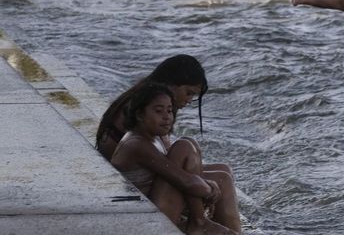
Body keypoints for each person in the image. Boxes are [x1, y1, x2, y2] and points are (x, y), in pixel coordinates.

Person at [97, 55, 241, 233]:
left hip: (148, 185)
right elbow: (182, 177)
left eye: (169, 111)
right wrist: (207, 187)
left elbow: (165, 162)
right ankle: (202, 223)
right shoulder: (137, 130)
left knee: (221, 170)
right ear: (171, 85)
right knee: (210, 170)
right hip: (142, 204)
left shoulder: (146, 105)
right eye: (188, 93)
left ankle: (216, 226)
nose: (189, 100)